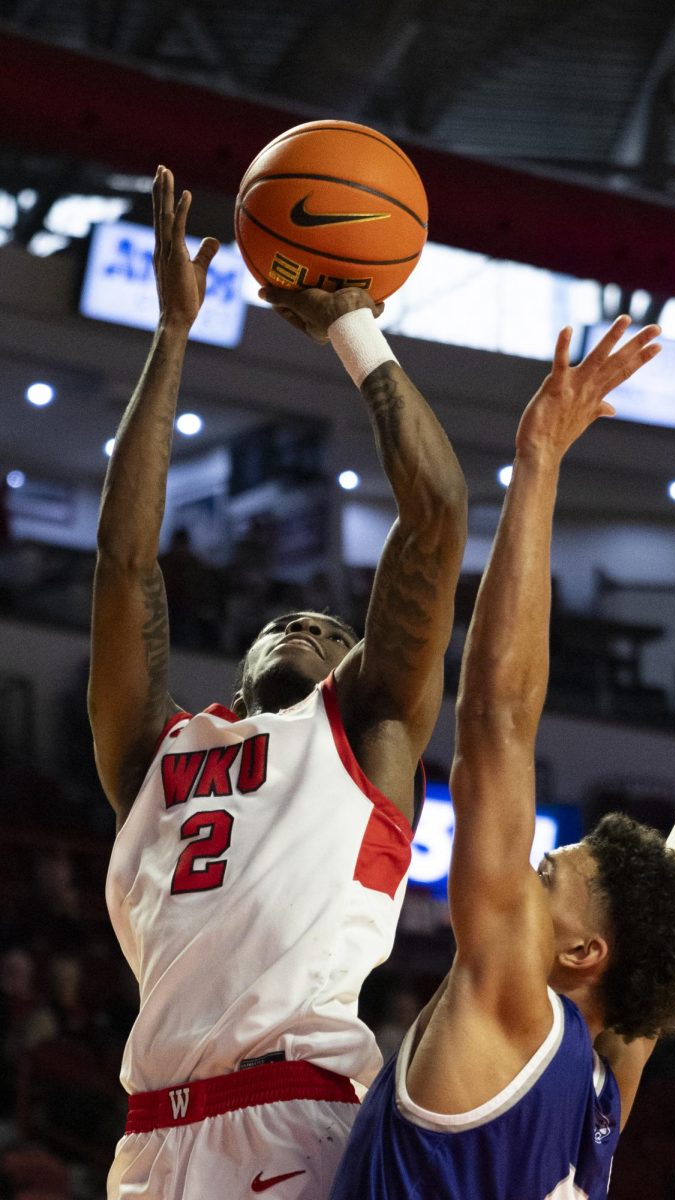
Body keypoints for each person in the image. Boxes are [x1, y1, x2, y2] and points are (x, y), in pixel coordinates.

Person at [329, 316, 675, 1200]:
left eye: (543, 876)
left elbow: (497, 721)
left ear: (584, 951)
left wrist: (540, 460)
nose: (521, 868)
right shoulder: (601, 1099)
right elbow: (670, 919)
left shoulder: (513, 1013)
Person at [88, 166, 467, 1199]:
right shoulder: (153, 757)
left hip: (294, 1118)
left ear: (355, 666)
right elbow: (125, 563)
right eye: (286, 618)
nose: (304, 620)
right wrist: (174, 333)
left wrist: (352, 330)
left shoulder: (369, 728)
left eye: (330, 627)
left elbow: (435, 513)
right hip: (150, 1139)